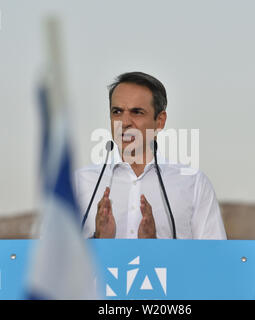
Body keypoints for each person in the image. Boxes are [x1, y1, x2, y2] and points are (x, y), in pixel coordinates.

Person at [76, 71, 227, 240]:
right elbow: (53, 259)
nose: (124, 123)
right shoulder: (79, 183)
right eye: (117, 112)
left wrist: (153, 245)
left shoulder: (194, 183)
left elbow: (214, 260)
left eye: (137, 112)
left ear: (160, 121)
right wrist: (98, 240)